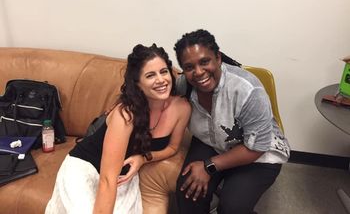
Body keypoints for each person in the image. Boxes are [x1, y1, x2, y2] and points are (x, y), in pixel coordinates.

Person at [45, 44, 191, 214]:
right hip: (86, 169)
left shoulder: (182, 108)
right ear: (138, 84)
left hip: (122, 177)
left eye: (164, 71)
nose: (161, 80)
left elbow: (173, 148)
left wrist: (144, 158)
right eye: (150, 75)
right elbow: (107, 179)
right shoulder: (126, 115)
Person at [174, 29, 290, 214]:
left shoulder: (248, 90)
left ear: (218, 58)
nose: (198, 72)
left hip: (256, 153)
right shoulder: (184, 84)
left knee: (232, 207)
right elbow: (152, 93)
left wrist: (208, 166)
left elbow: (258, 147)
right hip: (211, 142)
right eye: (189, 67)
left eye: (205, 62)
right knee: (188, 192)